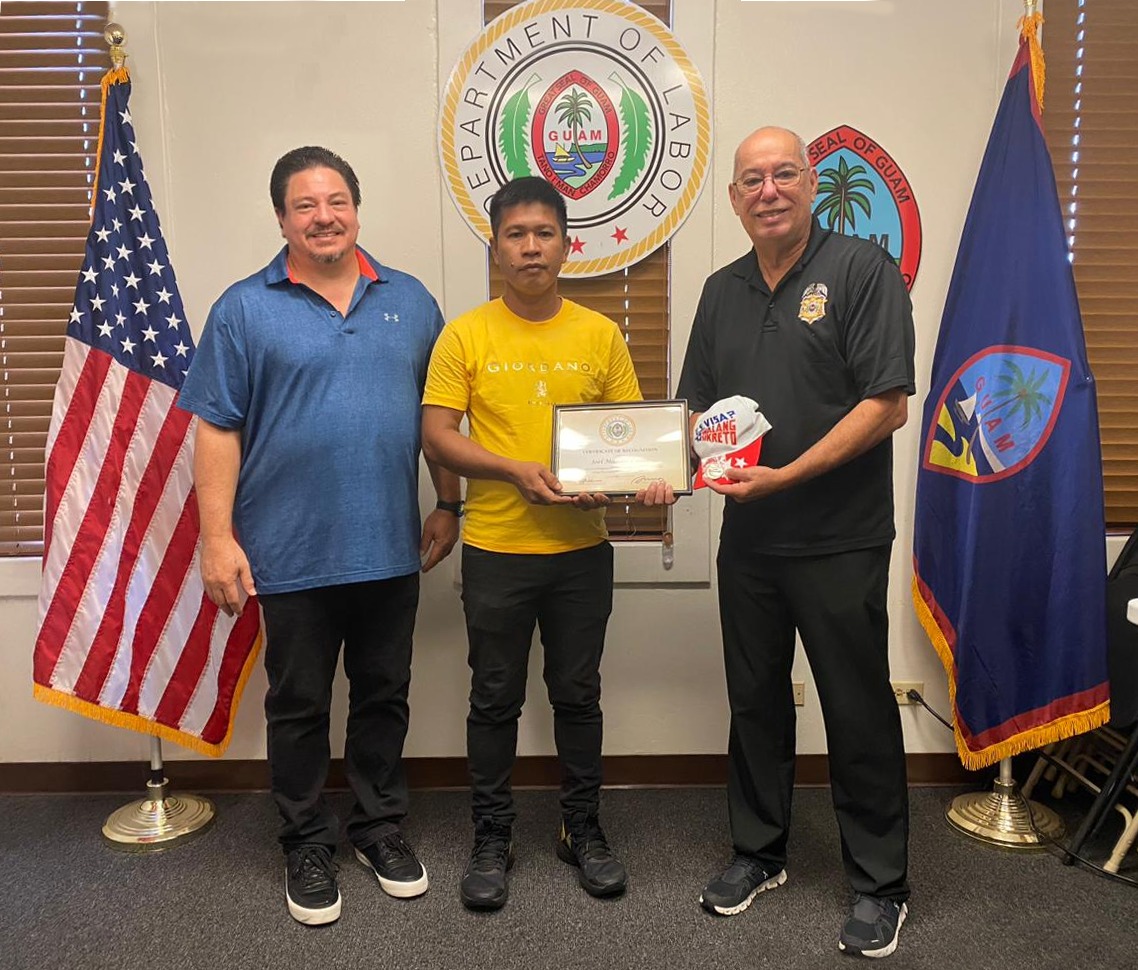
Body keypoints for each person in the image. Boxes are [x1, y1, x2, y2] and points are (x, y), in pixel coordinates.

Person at [178, 146, 461, 926]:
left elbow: (440, 420)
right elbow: (216, 430)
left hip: (387, 547)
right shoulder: (243, 308)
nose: (324, 216)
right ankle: (305, 840)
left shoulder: (410, 300)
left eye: (336, 201)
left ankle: (377, 828)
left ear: (357, 210)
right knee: (297, 703)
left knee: (384, 695)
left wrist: (448, 503)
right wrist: (216, 538)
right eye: (305, 205)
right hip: (289, 554)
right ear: (281, 219)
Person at [674, 127, 915, 958]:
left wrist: (789, 475)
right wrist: (649, 470)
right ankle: (759, 852)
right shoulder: (720, 289)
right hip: (750, 541)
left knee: (856, 708)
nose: (768, 190)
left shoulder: (860, 271)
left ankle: (881, 884)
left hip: (841, 539)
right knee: (755, 702)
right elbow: (693, 417)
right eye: (752, 180)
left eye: (783, 174)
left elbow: (887, 404)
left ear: (810, 183)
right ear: (734, 198)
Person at [421, 176, 673, 910]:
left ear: (568, 244)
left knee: (578, 694)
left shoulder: (600, 334)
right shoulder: (465, 334)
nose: (531, 247)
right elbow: (435, 434)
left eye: (544, 234)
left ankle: (580, 828)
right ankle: (491, 836)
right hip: (498, 549)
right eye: (515, 235)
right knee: (494, 697)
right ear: (495, 246)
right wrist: (510, 470)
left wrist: (644, 483)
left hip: (580, 554)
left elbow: (630, 442)